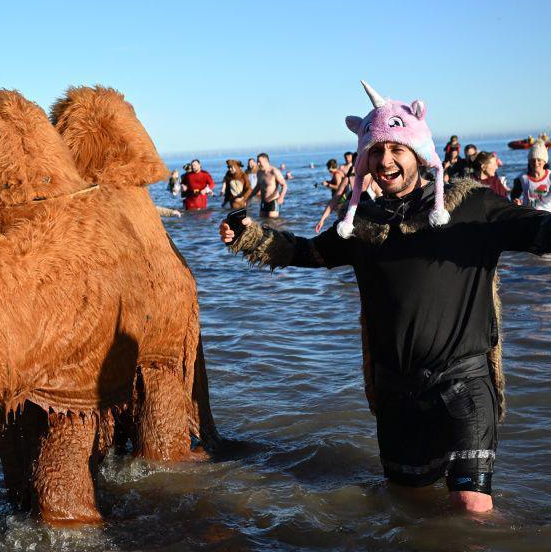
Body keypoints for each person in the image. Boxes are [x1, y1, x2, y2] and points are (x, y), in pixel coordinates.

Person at [220, 82, 551, 513]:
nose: (385, 160)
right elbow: (307, 253)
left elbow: (537, 230)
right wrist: (251, 237)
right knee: (408, 508)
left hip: (464, 381)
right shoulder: (363, 226)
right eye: (375, 151)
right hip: (396, 389)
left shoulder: (472, 206)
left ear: (418, 153)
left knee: (471, 508)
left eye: (396, 149)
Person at [510, 142, 550, 210]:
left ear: (545, 161)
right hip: (528, 214)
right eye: (533, 160)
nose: (536, 163)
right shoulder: (522, 178)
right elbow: (514, 197)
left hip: (547, 215)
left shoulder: (550, 176)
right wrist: (516, 202)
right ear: (529, 161)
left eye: (539, 160)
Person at [249, 152, 286, 218]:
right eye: (257, 162)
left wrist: (281, 197)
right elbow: (258, 187)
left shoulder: (274, 171)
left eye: (259, 162)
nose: (258, 164)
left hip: (273, 201)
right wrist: (249, 197)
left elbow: (284, 185)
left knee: (272, 222)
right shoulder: (259, 172)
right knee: (262, 221)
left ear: (266, 161)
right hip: (263, 201)